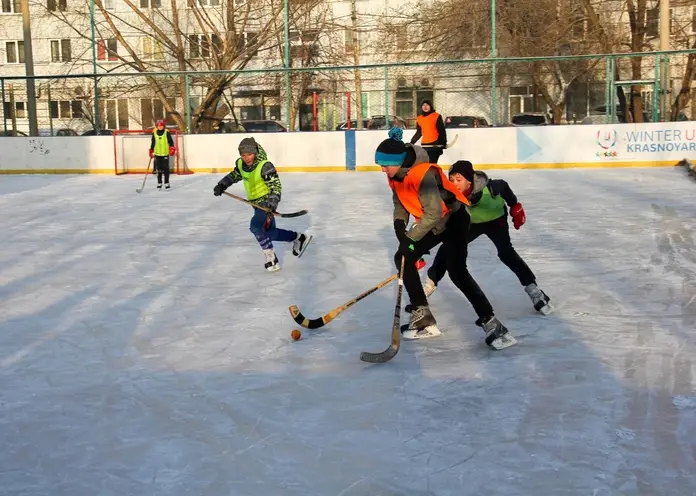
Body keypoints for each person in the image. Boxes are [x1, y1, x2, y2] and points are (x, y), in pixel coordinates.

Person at [375, 129, 515, 350]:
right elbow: (399, 204)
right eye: (380, 165)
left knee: (457, 271)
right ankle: (423, 318)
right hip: (435, 221)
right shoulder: (395, 175)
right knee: (403, 257)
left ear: (399, 161)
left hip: (454, 220)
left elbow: (433, 213)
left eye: (385, 165)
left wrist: (411, 239)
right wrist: (400, 230)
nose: (382, 169)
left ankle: (492, 323)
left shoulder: (424, 175)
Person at [418, 160, 552, 315]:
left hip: (496, 220)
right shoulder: (451, 195)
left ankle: (534, 291)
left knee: (506, 253)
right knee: (448, 248)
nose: (454, 183)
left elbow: (505, 187)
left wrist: (515, 206)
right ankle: (429, 285)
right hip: (472, 223)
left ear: (469, 179)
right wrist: (421, 246)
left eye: (459, 179)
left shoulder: (491, 187)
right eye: (452, 179)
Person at [213, 137, 312, 272]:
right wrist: (222, 185)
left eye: (249, 154)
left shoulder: (265, 166)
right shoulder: (241, 165)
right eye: (243, 155)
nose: (246, 158)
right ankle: (299, 238)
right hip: (255, 203)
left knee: (256, 227)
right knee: (270, 233)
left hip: (266, 203)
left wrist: (271, 205)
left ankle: (271, 259)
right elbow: (235, 175)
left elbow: (275, 186)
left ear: (255, 152)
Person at [410, 99, 447, 164]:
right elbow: (419, 132)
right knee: (426, 165)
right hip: (425, 145)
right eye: (423, 105)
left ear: (430, 106)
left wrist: (443, 143)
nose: (425, 106)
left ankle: (435, 174)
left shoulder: (436, 116)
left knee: (432, 165)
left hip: (435, 145)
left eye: (427, 105)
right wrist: (412, 142)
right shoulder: (419, 118)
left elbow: (442, 131)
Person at [149, 119, 176, 190]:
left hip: (165, 154)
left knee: (166, 169)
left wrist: (172, 148)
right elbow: (153, 143)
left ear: (163, 126)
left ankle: (166, 183)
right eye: (158, 126)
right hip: (157, 154)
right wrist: (151, 150)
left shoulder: (167, 133)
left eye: (161, 126)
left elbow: (171, 142)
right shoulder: (154, 133)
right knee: (159, 169)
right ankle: (159, 182)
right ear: (157, 126)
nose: (160, 127)